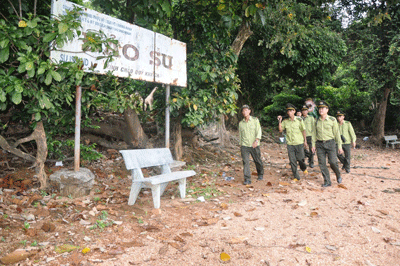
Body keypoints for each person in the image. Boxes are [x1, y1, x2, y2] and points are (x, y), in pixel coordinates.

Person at [312, 101, 343, 187]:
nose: (321, 110)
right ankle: (327, 181)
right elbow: (314, 133)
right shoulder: (316, 121)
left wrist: (340, 146)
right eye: (319, 108)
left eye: (323, 108)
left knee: (333, 162)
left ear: (327, 110)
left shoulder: (332, 120)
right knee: (322, 164)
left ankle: (338, 174)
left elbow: (337, 134)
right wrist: (313, 145)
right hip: (320, 144)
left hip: (330, 143)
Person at [278, 103, 308, 181]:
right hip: (290, 144)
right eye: (288, 111)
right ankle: (296, 176)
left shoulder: (299, 120)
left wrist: (305, 141)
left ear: (294, 111)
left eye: (291, 110)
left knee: (300, 159)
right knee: (292, 161)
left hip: (299, 143)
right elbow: (281, 130)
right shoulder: (285, 121)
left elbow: (303, 130)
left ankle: (303, 168)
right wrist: (279, 121)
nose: (289, 112)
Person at [239, 105, 264, 185]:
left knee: (257, 160)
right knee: (245, 162)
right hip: (245, 145)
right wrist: (241, 145)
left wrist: (256, 141)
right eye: (243, 111)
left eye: (246, 110)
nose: (244, 112)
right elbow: (240, 135)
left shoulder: (255, 120)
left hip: (254, 145)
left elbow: (258, 131)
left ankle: (260, 173)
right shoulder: (241, 123)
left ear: (249, 111)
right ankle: (247, 179)